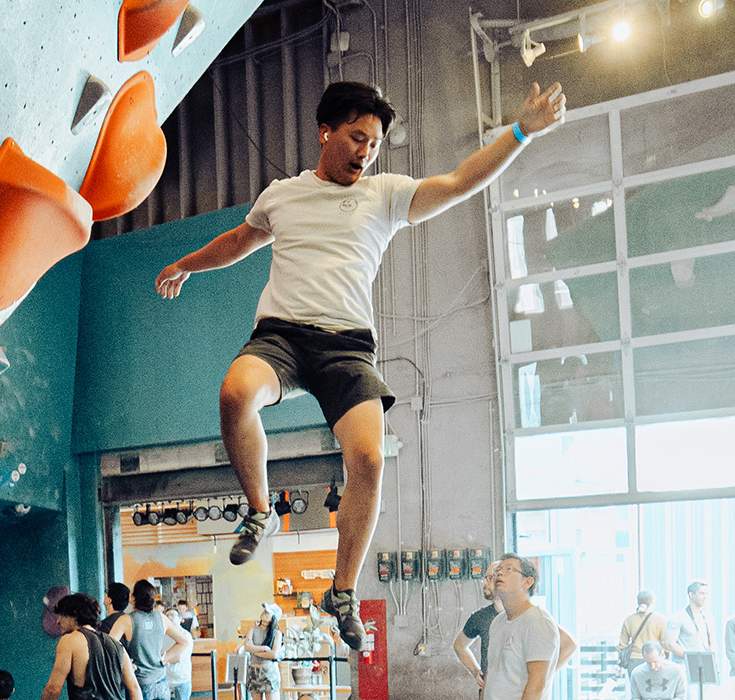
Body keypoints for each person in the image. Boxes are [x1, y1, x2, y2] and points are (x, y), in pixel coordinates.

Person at [154, 77, 567, 650]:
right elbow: (238, 241)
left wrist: (521, 132)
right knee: (234, 393)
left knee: (369, 458)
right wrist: (186, 265)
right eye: (355, 138)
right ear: (325, 132)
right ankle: (258, 511)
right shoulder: (283, 195)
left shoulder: (386, 194)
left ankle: (341, 590)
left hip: (348, 348)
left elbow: (457, 183)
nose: (365, 152)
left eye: (373, 143)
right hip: (282, 337)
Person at [483, 553, 579, 700]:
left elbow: (536, 686)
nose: (499, 573)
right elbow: (491, 676)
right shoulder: (498, 622)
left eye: (509, 569)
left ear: (527, 582)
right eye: (498, 570)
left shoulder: (537, 621)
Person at [42, 593, 143, 700]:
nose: (58, 621)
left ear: (73, 615)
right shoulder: (117, 645)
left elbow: (53, 688)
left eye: (61, 615)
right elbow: (134, 689)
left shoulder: (70, 640)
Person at [112, 580, 195, 700]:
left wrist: (125, 663)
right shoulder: (161, 618)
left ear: (133, 598)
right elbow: (184, 642)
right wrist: (165, 658)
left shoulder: (126, 620)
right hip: (161, 682)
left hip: (140, 684)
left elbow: (108, 647)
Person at [457, 560, 505, 692]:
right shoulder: (480, 617)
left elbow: (566, 644)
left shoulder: (523, 615)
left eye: (489, 578)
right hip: (488, 693)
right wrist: (475, 671)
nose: (484, 582)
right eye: (485, 578)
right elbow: (459, 645)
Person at [665, 581, 716, 665]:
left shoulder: (708, 617)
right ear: (691, 595)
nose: (705, 597)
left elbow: (712, 642)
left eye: (707, 594)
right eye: (702, 593)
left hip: (704, 666)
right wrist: (691, 657)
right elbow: (669, 643)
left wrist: (714, 662)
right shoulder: (678, 617)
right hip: (684, 666)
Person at [241, 603, 285, 700]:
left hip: (269, 672)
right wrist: (264, 649)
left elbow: (274, 654)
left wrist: (254, 650)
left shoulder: (276, 634)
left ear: (273, 618)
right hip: (254, 672)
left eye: (267, 612)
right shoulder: (252, 629)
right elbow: (247, 646)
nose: (264, 613)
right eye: (264, 611)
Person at [620, 591, 668, 672]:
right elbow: (664, 643)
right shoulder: (660, 619)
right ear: (652, 602)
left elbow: (622, 645)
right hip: (654, 658)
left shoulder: (629, 620)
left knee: (636, 683)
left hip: (634, 660)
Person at [163, 607, 196, 700]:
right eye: (167, 616)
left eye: (172, 615)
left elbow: (180, 656)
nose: (169, 617)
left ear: (180, 619)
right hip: (166, 681)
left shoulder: (185, 635)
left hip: (181, 681)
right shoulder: (162, 635)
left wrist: (163, 658)